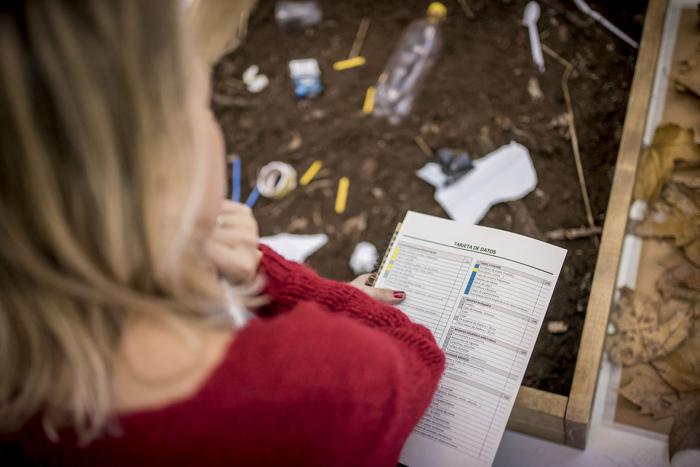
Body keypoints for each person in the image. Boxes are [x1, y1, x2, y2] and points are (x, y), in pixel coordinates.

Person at [0, 1, 445, 466]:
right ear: (161, 170)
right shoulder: (313, 382)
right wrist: (284, 283)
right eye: (202, 108)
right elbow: (416, 359)